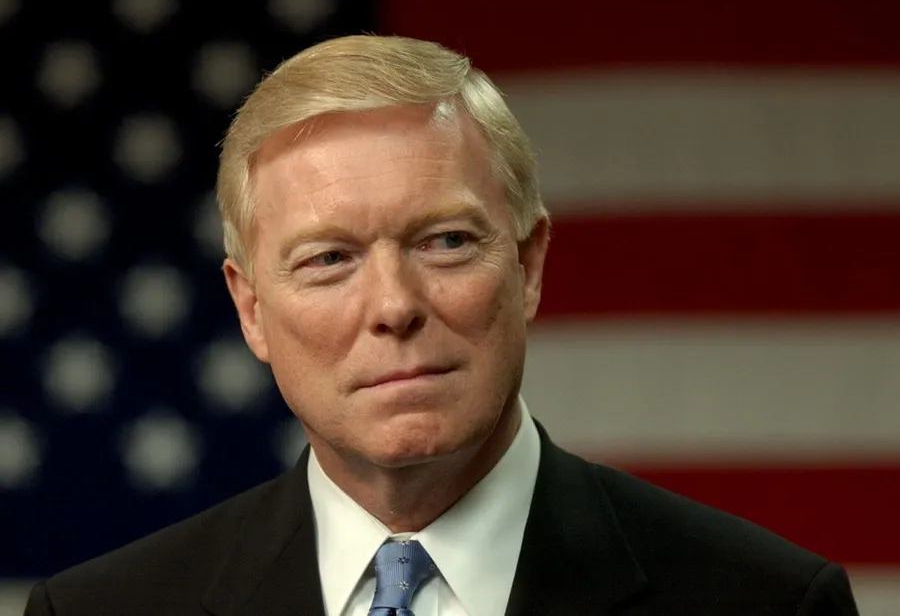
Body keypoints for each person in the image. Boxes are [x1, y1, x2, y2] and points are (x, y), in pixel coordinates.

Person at [25, 34, 859, 616]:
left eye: (446, 241)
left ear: (528, 265)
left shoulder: (767, 603)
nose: (394, 306)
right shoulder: (99, 610)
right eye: (329, 259)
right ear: (252, 310)